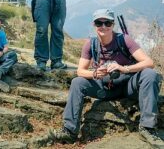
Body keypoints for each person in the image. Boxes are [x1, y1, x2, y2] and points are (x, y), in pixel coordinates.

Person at [50, 9, 162, 144]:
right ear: (94, 25)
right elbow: (80, 71)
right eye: (99, 23)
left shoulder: (124, 40)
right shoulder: (91, 44)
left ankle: (147, 128)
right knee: (77, 82)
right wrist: (95, 73)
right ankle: (70, 130)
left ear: (113, 25)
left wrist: (124, 68)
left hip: (128, 87)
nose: (103, 27)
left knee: (150, 74)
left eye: (107, 23)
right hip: (104, 88)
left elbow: (149, 63)